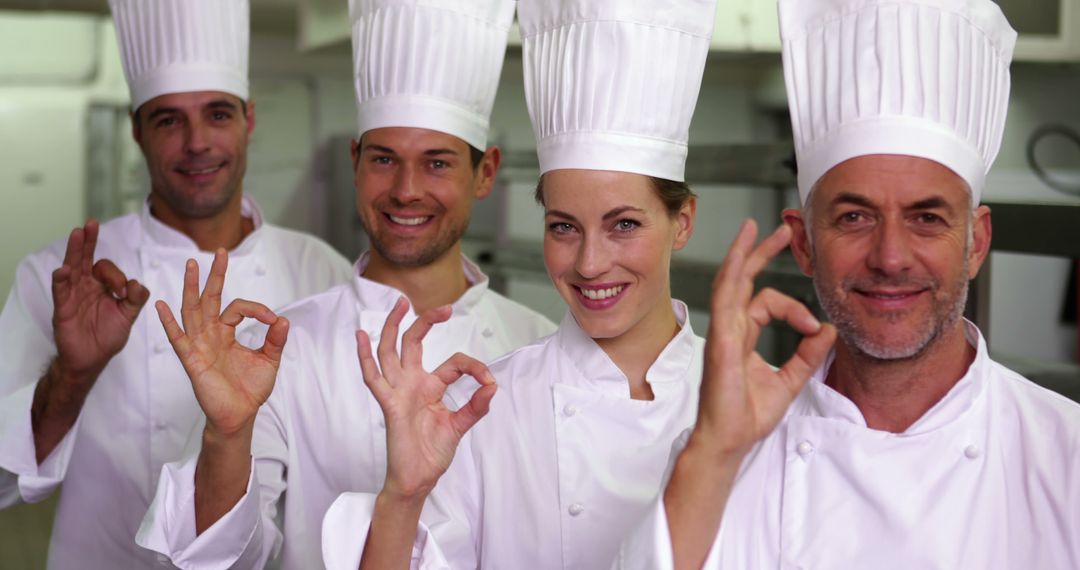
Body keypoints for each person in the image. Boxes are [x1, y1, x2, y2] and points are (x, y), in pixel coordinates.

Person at [615, 0, 1080, 568]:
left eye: (927, 218)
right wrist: (713, 452)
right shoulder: (720, 453)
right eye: (854, 217)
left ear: (976, 243)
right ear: (804, 242)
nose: (890, 257)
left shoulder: (1065, 457)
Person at [135, 1, 556, 568]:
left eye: (437, 163)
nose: (406, 190)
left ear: (485, 173)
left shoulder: (539, 347)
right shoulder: (284, 345)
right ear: (355, 161)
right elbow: (223, 559)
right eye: (384, 159)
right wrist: (227, 434)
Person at [317, 0, 722, 568]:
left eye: (624, 224)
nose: (588, 263)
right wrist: (404, 492)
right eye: (564, 227)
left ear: (682, 222)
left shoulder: (754, 402)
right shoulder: (484, 408)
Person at [0, 0, 354, 567]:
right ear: (137, 130)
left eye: (217, 114)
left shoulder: (323, 276)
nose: (196, 143)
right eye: (168, 119)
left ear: (249, 120)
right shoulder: (62, 277)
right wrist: (74, 374)